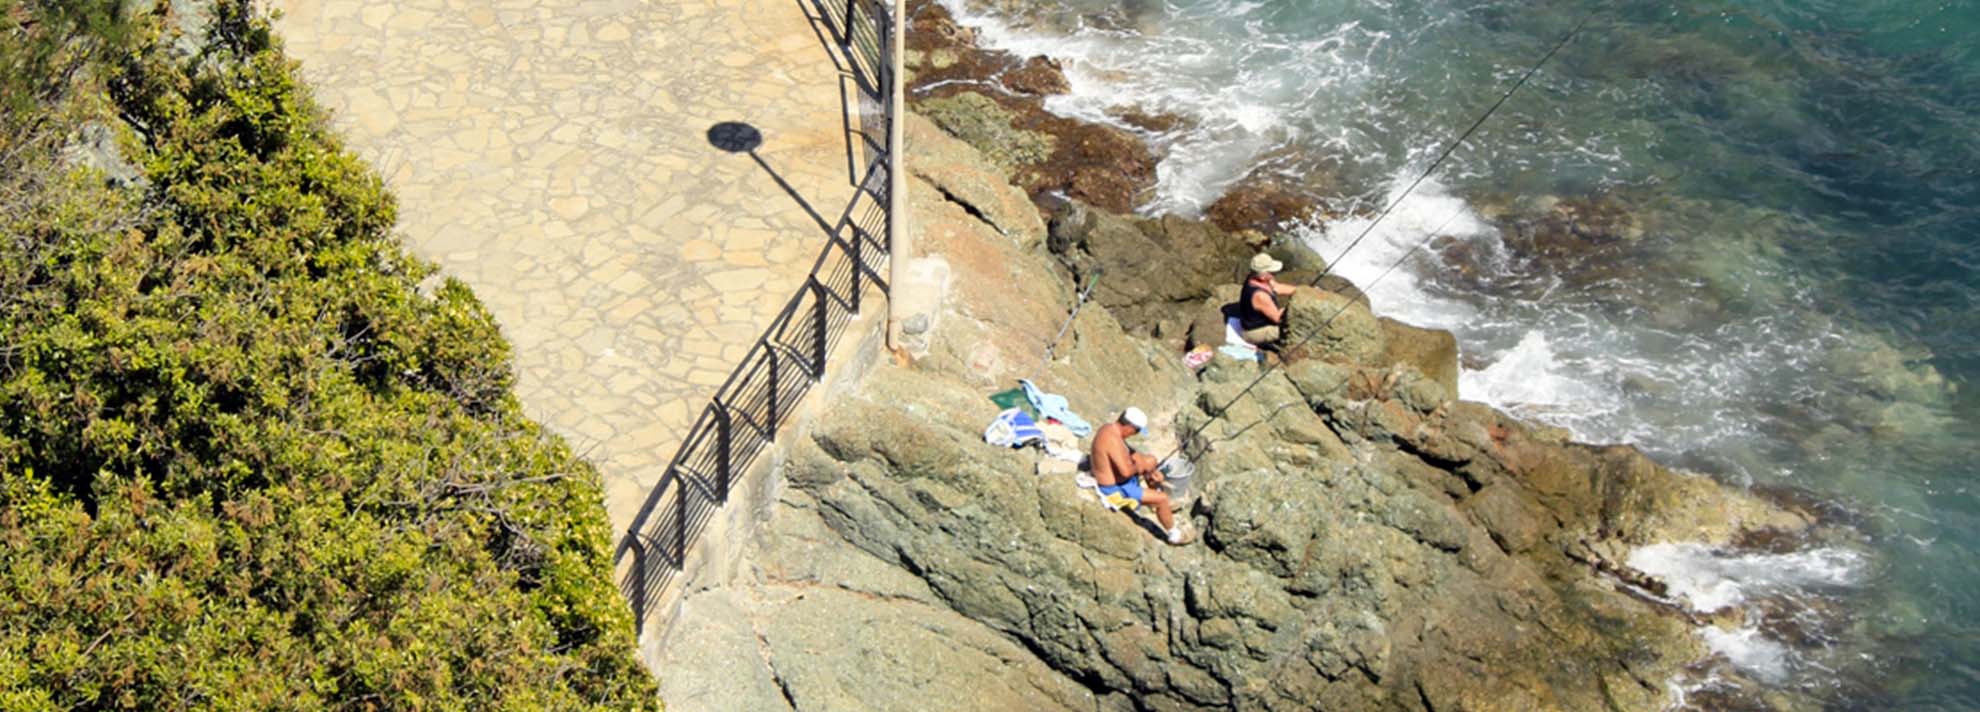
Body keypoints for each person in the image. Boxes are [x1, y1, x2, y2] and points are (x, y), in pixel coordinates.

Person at [1091, 407, 1193, 545]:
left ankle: (1153, 500)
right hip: (1115, 488)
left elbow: (1128, 453)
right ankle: (1173, 535)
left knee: (1150, 460)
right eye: (1136, 431)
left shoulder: (1110, 429)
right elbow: (1126, 472)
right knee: (1162, 499)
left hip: (1120, 479)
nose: (1135, 434)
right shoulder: (1112, 440)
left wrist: (1148, 466)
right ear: (1129, 427)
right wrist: (1140, 467)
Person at [1236, 253, 1297, 346]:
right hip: (1253, 332)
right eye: (1271, 272)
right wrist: (1294, 306)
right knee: (1290, 330)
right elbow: (1277, 318)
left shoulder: (1258, 278)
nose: (1274, 274)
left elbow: (1278, 287)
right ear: (1263, 276)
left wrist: (1300, 291)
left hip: (1258, 321)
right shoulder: (1260, 296)